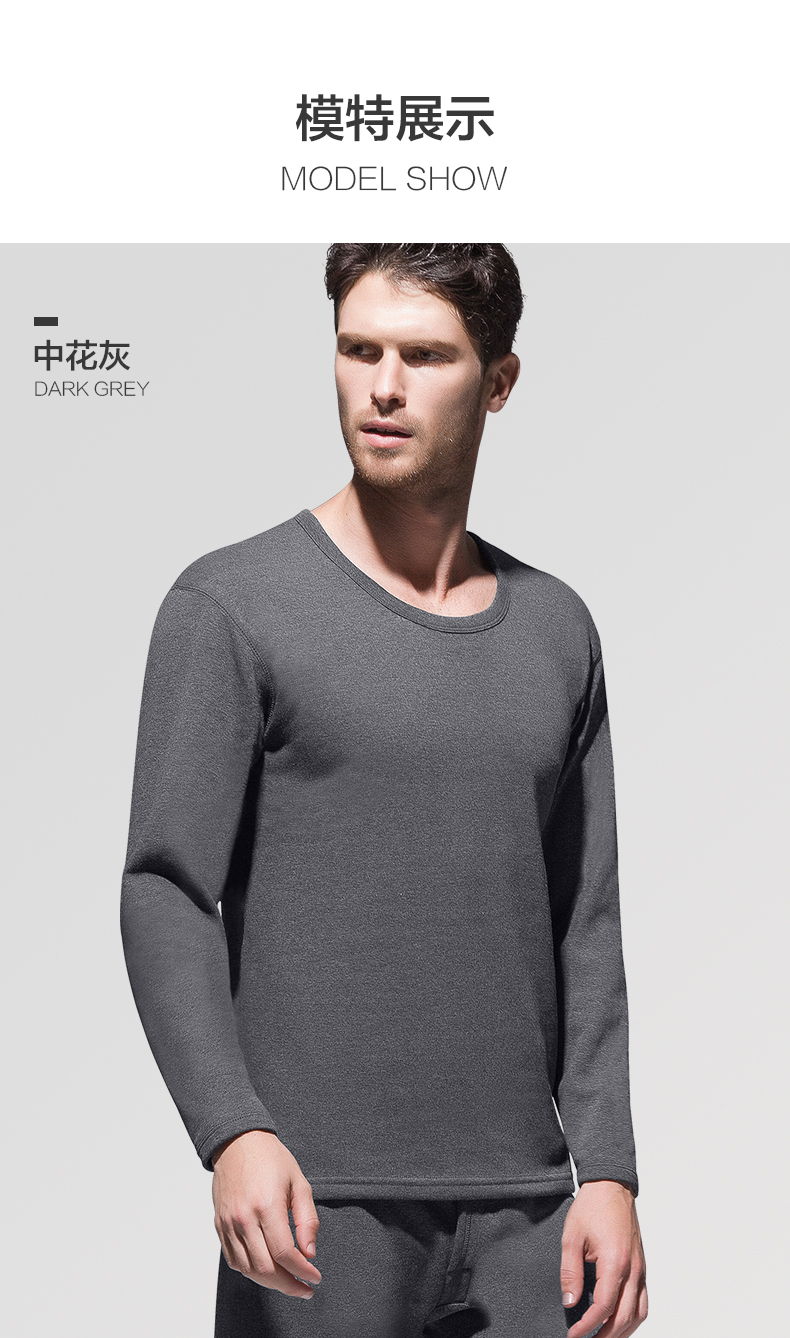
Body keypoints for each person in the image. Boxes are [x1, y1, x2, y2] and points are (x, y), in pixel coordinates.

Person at [120, 243, 648, 1338]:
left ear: (499, 382)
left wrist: (607, 1168)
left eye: (425, 355)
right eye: (358, 350)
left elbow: (584, 920)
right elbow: (164, 889)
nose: (384, 387)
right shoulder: (232, 606)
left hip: (530, 1216)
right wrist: (231, 1131)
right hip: (317, 1211)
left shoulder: (558, 631)